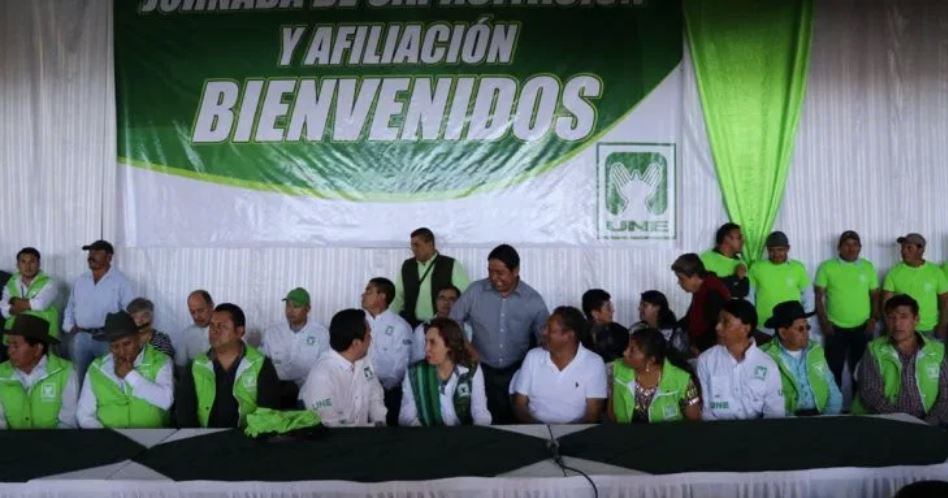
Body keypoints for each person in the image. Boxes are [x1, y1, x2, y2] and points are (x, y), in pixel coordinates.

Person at [451, 244, 550, 424]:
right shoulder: (475, 291)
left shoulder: (533, 300)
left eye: (500, 272)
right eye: (490, 271)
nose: (494, 277)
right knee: (482, 418)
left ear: (516, 270)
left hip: (517, 371)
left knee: (515, 420)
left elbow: (545, 339)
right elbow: (453, 319)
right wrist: (467, 347)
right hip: (481, 369)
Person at [176, 303, 281, 428]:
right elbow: (185, 415)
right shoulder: (195, 365)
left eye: (222, 326)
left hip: (247, 441)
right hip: (204, 440)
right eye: (212, 325)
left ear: (239, 332)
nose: (214, 331)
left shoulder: (260, 364)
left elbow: (268, 413)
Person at [855, 294, 948, 425]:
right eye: (891, 317)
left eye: (904, 317)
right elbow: (870, 393)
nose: (897, 324)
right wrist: (901, 423)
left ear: (916, 320)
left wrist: (929, 424)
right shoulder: (874, 349)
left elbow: (946, 394)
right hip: (888, 423)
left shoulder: (937, 350)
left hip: (931, 423)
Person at [76, 311, 173, 428]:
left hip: (150, 438)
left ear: (139, 338)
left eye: (127, 344)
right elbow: (84, 414)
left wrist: (130, 375)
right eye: (115, 346)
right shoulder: (97, 368)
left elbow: (166, 400)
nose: (121, 352)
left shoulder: (159, 361)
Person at [512, 306, 607, 424]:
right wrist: (542, 431)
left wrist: (562, 435)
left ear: (569, 336)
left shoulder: (594, 363)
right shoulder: (533, 357)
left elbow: (592, 415)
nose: (543, 332)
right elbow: (519, 405)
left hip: (577, 435)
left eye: (550, 329)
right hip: (535, 432)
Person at [696, 299, 785, 420]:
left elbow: (775, 413)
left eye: (725, 322)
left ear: (745, 329)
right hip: (718, 433)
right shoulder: (706, 360)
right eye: (718, 321)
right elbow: (706, 411)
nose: (717, 327)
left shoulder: (768, 365)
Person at [299, 309, 387, 427]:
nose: (371, 339)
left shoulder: (364, 361)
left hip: (365, 437)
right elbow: (329, 426)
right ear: (356, 343)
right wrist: (371, 427)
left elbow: (375, 396)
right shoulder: (322, 374)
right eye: (368, 335)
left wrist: (380, 421)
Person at [814, 230, 880, 388]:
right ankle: (834, 410)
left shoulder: (867, 267)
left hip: (862, 328)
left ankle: (861, 409)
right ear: (839, 247)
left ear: (860, 247)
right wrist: (824, 323)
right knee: (833, 371)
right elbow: (818, 297)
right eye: (847, 245)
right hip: (835, 329)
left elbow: (875, 296)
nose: (851, 248)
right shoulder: (827, 267)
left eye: (855, 245)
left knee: (862, 372)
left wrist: (873, 320)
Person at [62, 240, 135, 381]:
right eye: (90, 252)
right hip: (81, 337)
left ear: (109, 257)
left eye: (96, 252)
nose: (91, 256)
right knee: (78, 377)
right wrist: (69, 327)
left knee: (108, 378)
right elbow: (70, 306)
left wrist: (118, 335)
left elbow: (129, 310)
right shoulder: (81, 280)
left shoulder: (120, 281)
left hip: (108, 339)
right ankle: (80, 403)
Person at [399, 317, 491, 426]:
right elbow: (406, 417)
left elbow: (480, 412)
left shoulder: (472, 370)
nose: (426, 348)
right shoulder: (414, 373)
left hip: (466, 437)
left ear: (450, 345)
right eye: (426, 342)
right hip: (428, 437)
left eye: (433, 342)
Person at [761, 301, 842, 416]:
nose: (806, 333)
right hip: (786, 423)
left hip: (821, 418)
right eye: (800, 329)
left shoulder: (815, 350)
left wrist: (828, 418)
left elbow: (832, 388)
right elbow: (764, 400)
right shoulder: (765, 356)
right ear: (783, 333)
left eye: (807, 327)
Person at [0, 313, 78, 429]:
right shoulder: (1, 373)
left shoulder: (65, 372)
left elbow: (68, 422)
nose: (9, 351)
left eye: (15, 346)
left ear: (38, 349)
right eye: (9, 345)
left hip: (55, 444)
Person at [608, 327, 701, 423]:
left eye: (632, 351)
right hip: (625, 435)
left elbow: (693, 423)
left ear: (650, 360)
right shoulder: (617, 369)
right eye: (627, 347)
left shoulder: (682, 380)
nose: (624, 353)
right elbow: (612, 414)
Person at [260, 287, 329, 407]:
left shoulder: (321, 333)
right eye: (288, 306)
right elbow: (261, 362)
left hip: (306, 392)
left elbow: (324, 366)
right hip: (275, 390)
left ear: (308, 309)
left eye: (296, 306)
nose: (290, 311)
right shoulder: (272, 331)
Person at [392, 227, 470, 328]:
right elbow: (398, 297)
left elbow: (465, 297)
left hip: (442, 326)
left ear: (430, 244)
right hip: (411, 326)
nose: (413, 249)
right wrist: (391, 318)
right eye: (411, 246)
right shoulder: (408, 266)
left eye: (417, 245)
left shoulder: (451, 264)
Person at [361, 277, 413, 426]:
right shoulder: (358, 322)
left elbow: (402, 364)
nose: (363, 294)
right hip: (358, 391)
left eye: (368, 291)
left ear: (382, 296)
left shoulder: (400, 326)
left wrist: (381, 388)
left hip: (388, 394)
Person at [882, 233, 948, 338]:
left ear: (921, 250)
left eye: (909, 247)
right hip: (902, 330)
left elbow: (945, 302)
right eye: (902, 247)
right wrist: (891, 328)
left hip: (929, 329)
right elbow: (886, 305)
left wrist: (943, 325)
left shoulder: (936, 272)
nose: (903, 251)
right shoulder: (893, 273)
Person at [748, 231, 811, 333]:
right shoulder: (756, 267)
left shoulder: (798, 267)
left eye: (780, 250)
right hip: (763, 327)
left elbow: (808, 296)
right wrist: (751, 321)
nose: (776, 254)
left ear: (788, 248)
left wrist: (805, 321)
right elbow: (749, 297)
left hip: (792, 327)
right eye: (771, 250)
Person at [671, 253, 731, 354]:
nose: (679, 282)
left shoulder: (712, 292)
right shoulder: (700, 288)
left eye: (681, 278)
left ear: (695, 276)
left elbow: (717, 327)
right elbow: (690, 317)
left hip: (711, 351)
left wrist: (699, 346)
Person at [2, 247, 60, 341]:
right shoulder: (11, 283)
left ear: (39, 264)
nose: (27, 266)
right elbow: (5, 312)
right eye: (23, 262)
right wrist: (30, 304)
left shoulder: (49, 282)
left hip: (41, 334)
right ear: (17, 265)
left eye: (32, 262)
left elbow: (40, 304)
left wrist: (13, 300)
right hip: (15, 335)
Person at [410, 285, 463, 363]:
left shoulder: (466, 329)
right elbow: (417, 359)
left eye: (452, 299)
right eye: (442, 298)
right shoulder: (422, 329)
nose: (446, 302)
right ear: (436, 301)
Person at [629, 290, 690, 357]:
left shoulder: (674, 333)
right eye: (640, 305)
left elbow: (683, 356)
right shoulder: (636, 328)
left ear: (657, 308)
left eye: (644, 305)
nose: (639, 308)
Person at [700, 222, 749, 298]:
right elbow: (708, 287)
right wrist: (736, 277)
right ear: (726, 238)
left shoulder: (741, 263)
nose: (743, 241)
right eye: (739, 238)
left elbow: (742, 292)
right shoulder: (706, 258)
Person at [581, 288, 629, 363]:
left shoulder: (621, 332)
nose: (613, 310)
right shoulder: (580, 335)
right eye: (608, 308)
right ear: (595, 313)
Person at [174, 290, 214, 368]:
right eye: (192, 312)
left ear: (211, 306)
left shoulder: (227, 331)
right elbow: (180, 367)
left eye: (200, 310)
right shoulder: (186, 335)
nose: (196, 316)